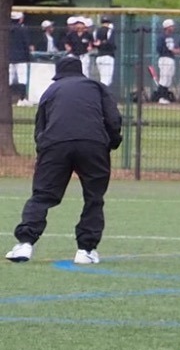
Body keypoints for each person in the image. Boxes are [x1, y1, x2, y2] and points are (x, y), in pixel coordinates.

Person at [5, 54, 123, 265]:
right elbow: (113, 119)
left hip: (55, 144)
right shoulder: (97, 87)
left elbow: (40, 127)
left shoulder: (51, 91)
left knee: (42, 196)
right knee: (94, 197)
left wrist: (44, 151)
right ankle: (85, 250)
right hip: (93, 144)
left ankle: (25, 244)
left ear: (58, 74)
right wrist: (112, 142)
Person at [9, 11, 32, 105]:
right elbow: (26, 44)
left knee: (9, 78)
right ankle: (21, 99)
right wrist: (28, 57)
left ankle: (8, 98)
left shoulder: (6, 29)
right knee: (22, 78)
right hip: (21, 57)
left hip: (9, 58)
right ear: (20, 19)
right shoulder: (22, 29)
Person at [156, 18, 178, 104]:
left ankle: (165, 96)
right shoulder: (163, 37)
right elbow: (161, 49)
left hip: (170, 58)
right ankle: (161, 97)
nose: (173, 28)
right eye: (171, 26)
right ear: (167, 27)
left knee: (168, 78)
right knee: (164, 78)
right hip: (165, 58)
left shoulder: (170, 37)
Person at [92, 16, 117, 87]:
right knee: (106, 80)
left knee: (103, 78)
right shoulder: (110, 31)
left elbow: (94, 43)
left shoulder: (96, 31)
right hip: (108, 56)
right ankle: (102, 93)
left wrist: (100, 44)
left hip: (99, 56)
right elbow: (111, 44)